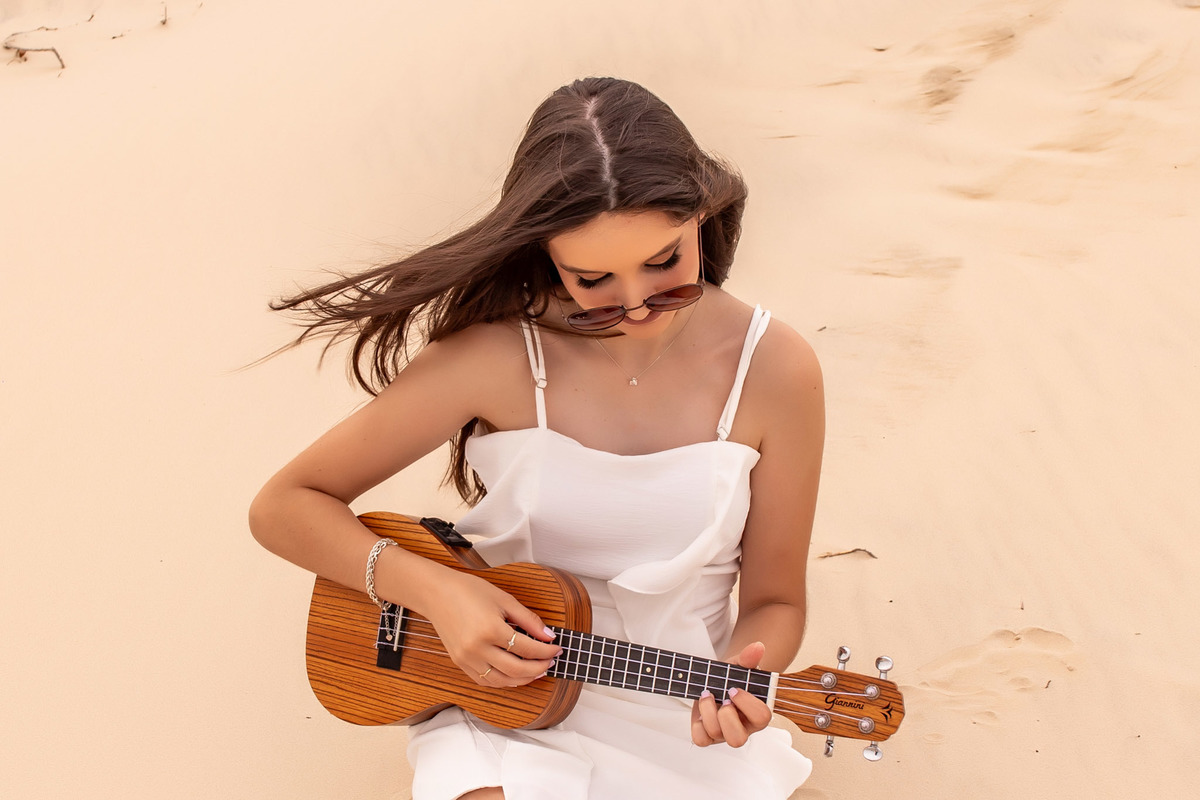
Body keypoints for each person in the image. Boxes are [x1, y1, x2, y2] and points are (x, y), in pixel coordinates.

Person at [250, 76, 824, 800]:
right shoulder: (496, 356)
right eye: (592, 279)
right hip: (504, 705)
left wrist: (738, 677)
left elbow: (776, 598)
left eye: (664, 262)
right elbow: (283, 506)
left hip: (681, 708)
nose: (636, 305)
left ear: (702, 216)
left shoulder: (775, 368)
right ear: (546, 254)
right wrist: (439, 594)